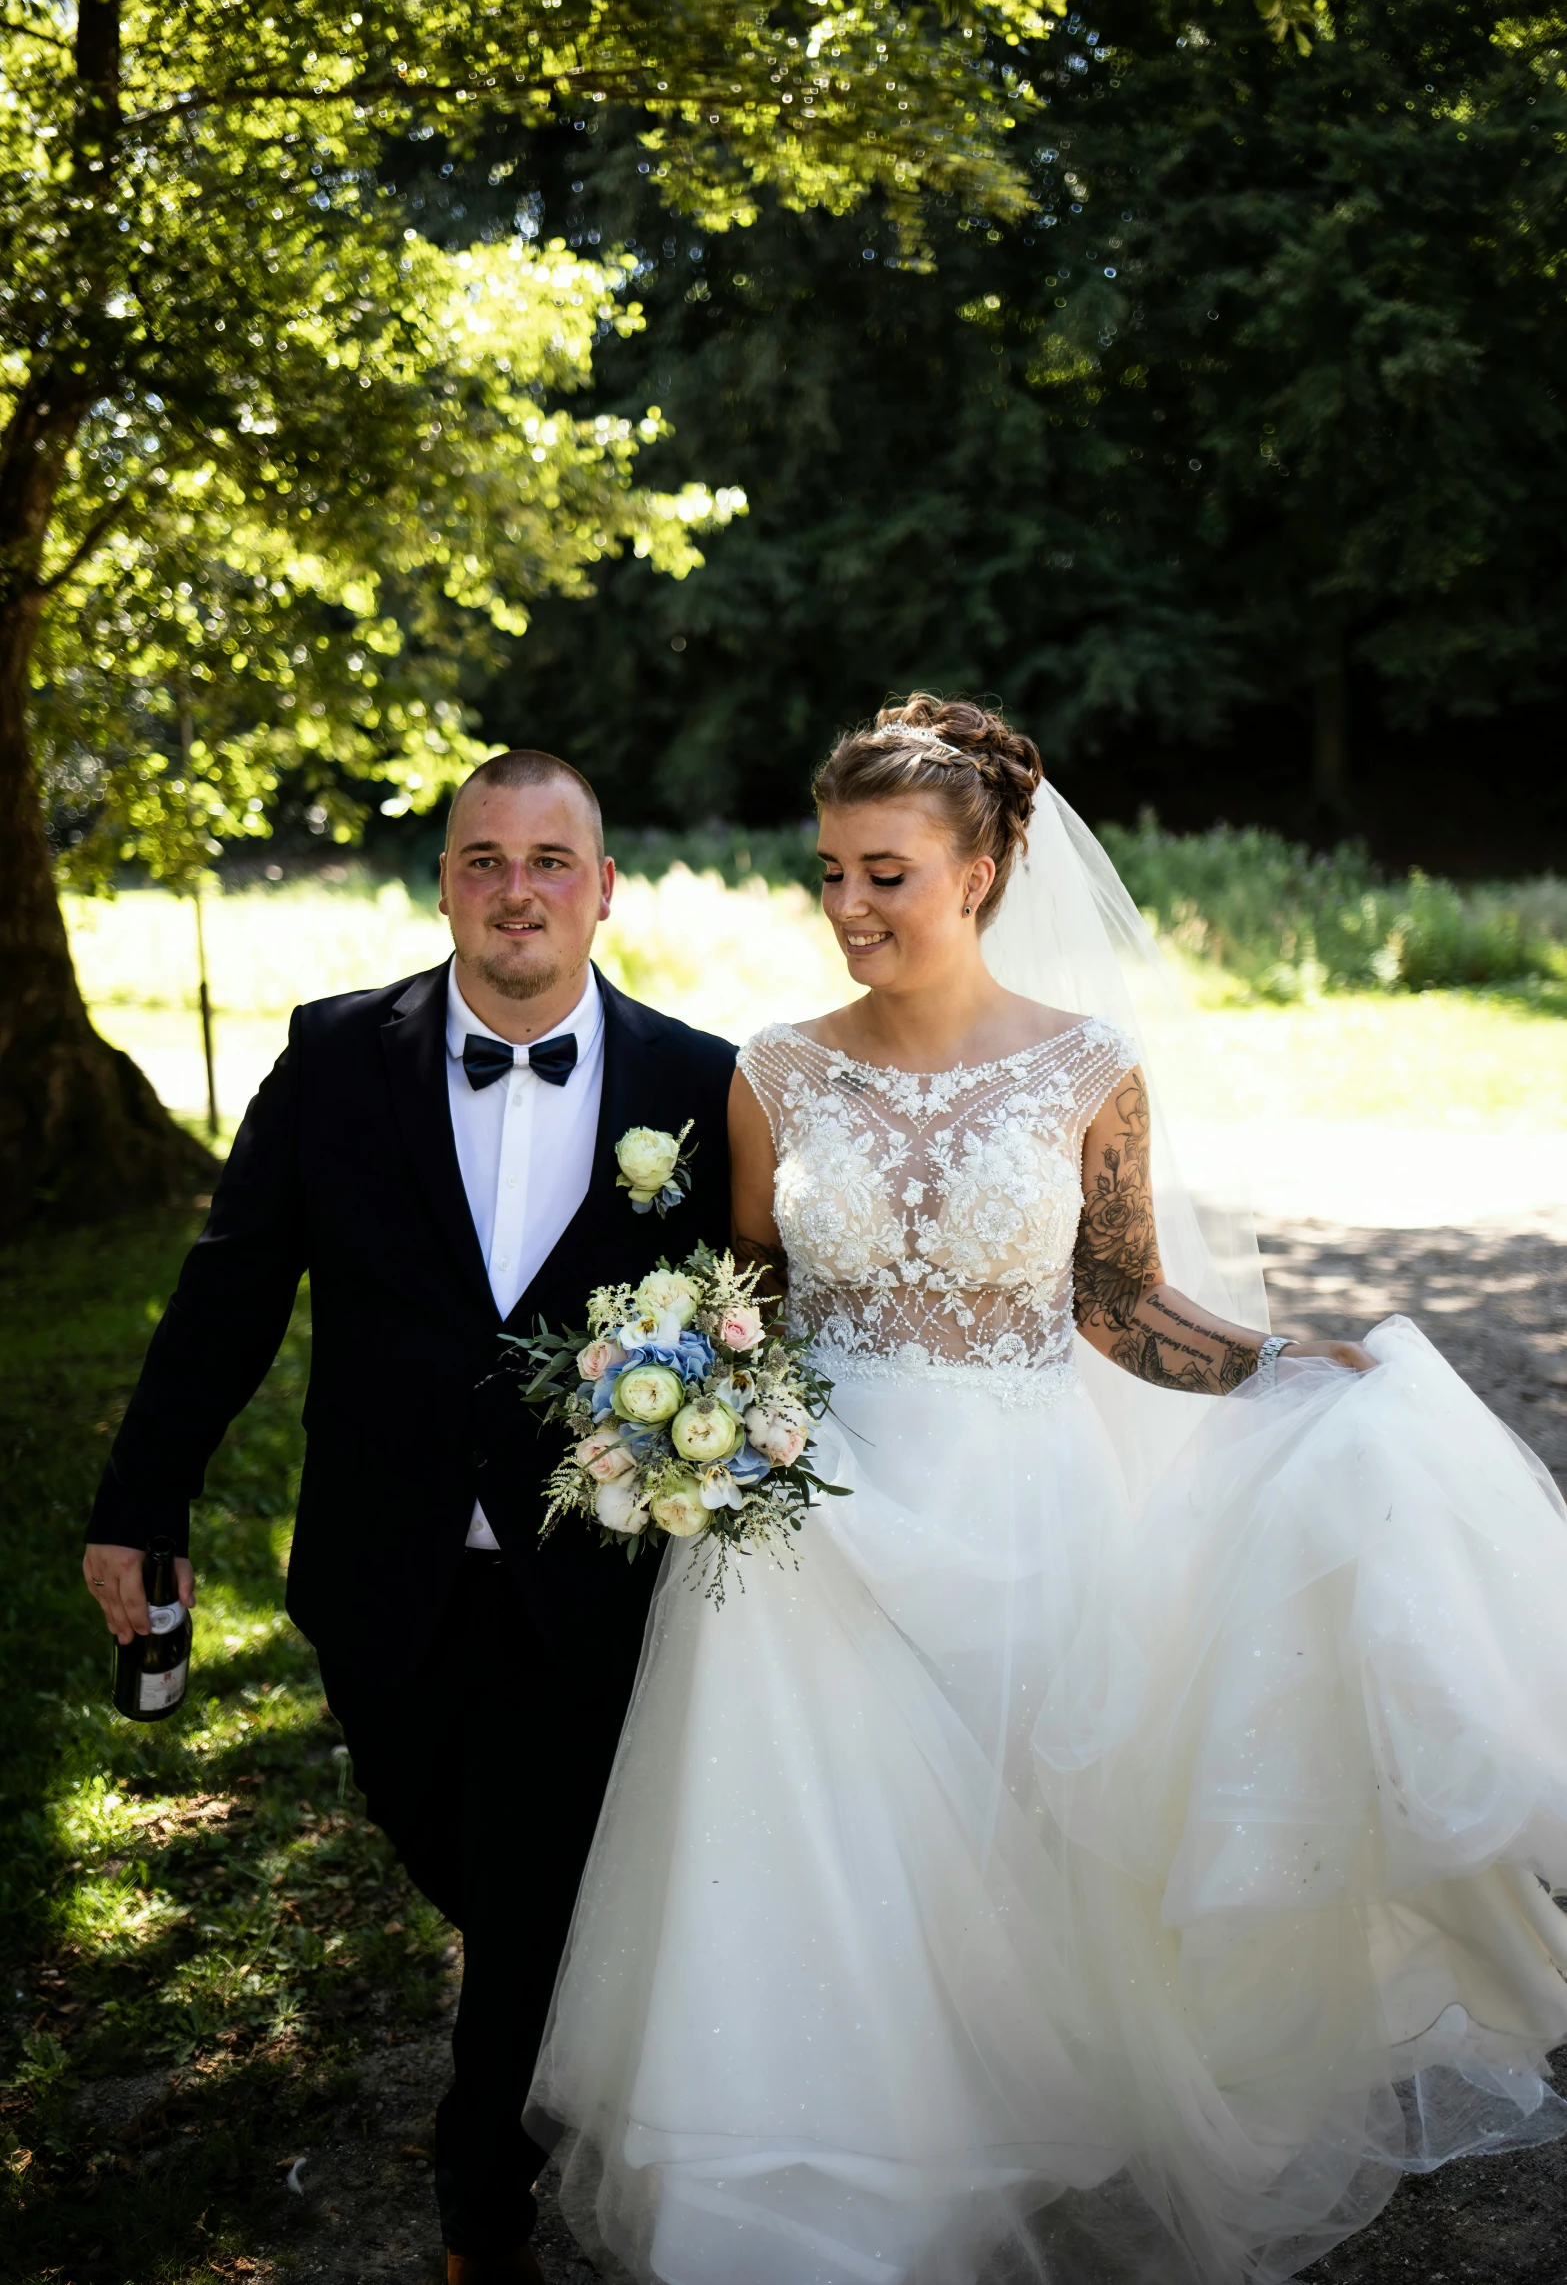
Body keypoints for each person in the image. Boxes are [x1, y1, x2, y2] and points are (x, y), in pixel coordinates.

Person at [525, 700, 1567, 2285]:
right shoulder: (774, 1074)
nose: (851, 905)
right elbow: (746, 1294)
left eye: (887, 872)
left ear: (988, 865)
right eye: (829, 874)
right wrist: (679, 1408)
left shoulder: (1089, 1068)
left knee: (1026, 1872)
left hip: (1026, 1518)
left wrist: (1290, 1366)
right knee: (825, 1876)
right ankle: (832, 2213)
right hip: (815, 1543)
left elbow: (1116, 1305)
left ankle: (1022, 2147)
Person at [81, 749, 735, 2285]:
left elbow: (754, 1307)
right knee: (455, 1847)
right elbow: (229, 1293)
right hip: (382, 1572)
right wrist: (139, 1495)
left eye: (549, 860)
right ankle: (563, 2047)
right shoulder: (332, 1056)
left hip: (593, 1572)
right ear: (444, 881)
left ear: (603, 886)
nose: (517, 889)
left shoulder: (696, 1082)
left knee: (527, 1888)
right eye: (485, 859)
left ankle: (478, 2200)